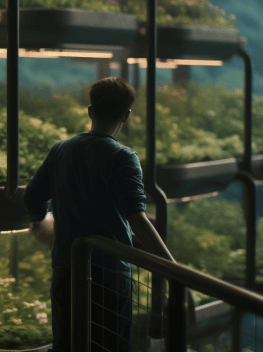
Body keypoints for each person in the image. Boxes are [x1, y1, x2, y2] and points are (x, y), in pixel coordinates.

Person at [22, 77, 176, 352]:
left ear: (90, 111)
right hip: (110, 275)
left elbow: (32, 197)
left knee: (68, 344)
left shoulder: (61, 150)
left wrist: (42, 222)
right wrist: (170, 266)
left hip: (66, 269)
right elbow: (137, 219)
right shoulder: (123, 158)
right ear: (126, 116)